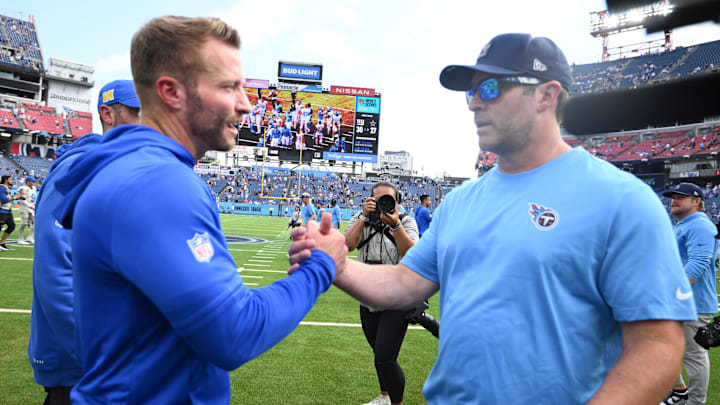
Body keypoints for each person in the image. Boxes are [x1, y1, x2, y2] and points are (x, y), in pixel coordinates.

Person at [305, 33, 696, 404]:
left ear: (546, 95)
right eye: (471, 92)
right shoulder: (460, 202)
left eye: (489, 88)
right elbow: (405, 283)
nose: (475, 103)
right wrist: (335, 264)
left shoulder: (622, 201)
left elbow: (658, 344)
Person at [50, 16, 346, 403]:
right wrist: (320, 266)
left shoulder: (136, 170)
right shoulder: (156, 182)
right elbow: (233, 333)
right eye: (229, 87)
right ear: (171, 92)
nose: (245, 104)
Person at [28, 79, 140, 405]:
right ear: (107, 113)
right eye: (138, 111)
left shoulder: (119, 168)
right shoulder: (79, 168)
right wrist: (100, 355)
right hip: (84, 370)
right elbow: (56, 272)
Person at [344, 182, 418, 405]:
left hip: (397, 297)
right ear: (370, 201)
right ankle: (385, 397)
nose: (383, 204)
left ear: (398, 201)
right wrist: (363, 218)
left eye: (389, 200)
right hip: (368, 296)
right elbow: (347, 245)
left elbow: (413, 254)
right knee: (378, 353)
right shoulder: (361, 218)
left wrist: (396, 226)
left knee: (386, 358)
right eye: (378, 200)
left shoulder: (406, 220)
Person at [661, 182, 719, 405]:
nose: (674, 200)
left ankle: (695, 402)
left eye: (681, 197)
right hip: (680, 300)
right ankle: (680, 392)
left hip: (692, 302)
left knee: (694, 356)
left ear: (697, 202)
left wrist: (676, 293)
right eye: (673, 196)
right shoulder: (683, 224)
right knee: (660, 346)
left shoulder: (700, 225)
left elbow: (699, 262)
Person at [0, 174, 20, 251]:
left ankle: (2, 243)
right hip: (2, 210)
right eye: (11, 179)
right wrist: (15, 198)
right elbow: (4, 199)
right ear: (6, 180)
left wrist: (18, 197)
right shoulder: (1, 188)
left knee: (11, 226)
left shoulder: (6, 188)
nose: (12, 181)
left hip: (8, 210)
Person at [16, 176, 37, 244]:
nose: (33, 183)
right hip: (24, 208)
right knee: (23, 223)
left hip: (31, 206)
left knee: (35, 223)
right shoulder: (23, 188)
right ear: (28, 182)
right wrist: (30, 206)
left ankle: (30, 237)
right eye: (32, 181)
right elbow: (23, 200)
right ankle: (20, 238)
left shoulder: (34, 188)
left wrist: (32, 206)